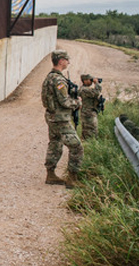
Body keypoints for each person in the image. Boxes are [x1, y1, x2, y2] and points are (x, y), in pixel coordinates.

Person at [41, 49, 83, 188]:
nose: (68, 62)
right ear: (60, 61)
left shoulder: (49, 77)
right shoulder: (59, 80)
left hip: (51, 116)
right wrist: (77, 102)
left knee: (55, 143)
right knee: (76, 146)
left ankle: (51, 174)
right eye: (66, 60)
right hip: (60, 118)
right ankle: (72, 178)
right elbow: (64, 101)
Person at [79, 74, 102, 140]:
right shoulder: (84, 90)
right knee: (91, 131)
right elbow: (97, 92)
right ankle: (89, 144)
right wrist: (96, 83)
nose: (91, 82)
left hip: (88, 112)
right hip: (88, 114)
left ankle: (88, 143)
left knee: (89, 131)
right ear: (85, 81)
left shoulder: (86, 89)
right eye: (90, 80)